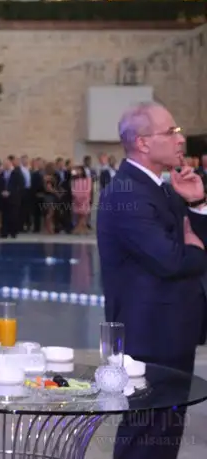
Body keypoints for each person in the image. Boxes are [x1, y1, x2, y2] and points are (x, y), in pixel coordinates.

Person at [98, 102, 207, 459]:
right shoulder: (127, 194)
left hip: (173, 332)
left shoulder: (163, 189)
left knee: (166, 431)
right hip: (150, 337)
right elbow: (171, 261)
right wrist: (194, 249)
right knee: (145, 436)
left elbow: (195, 244)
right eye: (171, 132)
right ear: (143, 143)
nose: (181, 139)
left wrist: (198, 203)